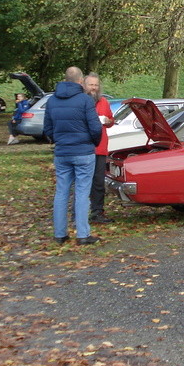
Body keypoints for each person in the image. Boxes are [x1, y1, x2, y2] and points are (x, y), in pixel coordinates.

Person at [43, 67, 103, 245]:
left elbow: (47, 128)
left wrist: (58, 140)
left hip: (62, 152)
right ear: (80, 81)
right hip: (83, 152)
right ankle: (82, 234)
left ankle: (60, 234)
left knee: (61, 192)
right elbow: (95, 127)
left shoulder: (52, 100)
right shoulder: (85, 100)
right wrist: (93, 143)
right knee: (82, 192)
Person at [84, 73, 115, 224]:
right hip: (84, 147)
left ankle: (97, 211)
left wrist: (108, 121)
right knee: (83, 181)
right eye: (91, 85)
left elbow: (111, 121)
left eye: (96, 85)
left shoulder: (104, 102)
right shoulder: (81, 101)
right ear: (84, 85)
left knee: (98, 181)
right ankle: (80, 212)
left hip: (100, 147)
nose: (94, 88)